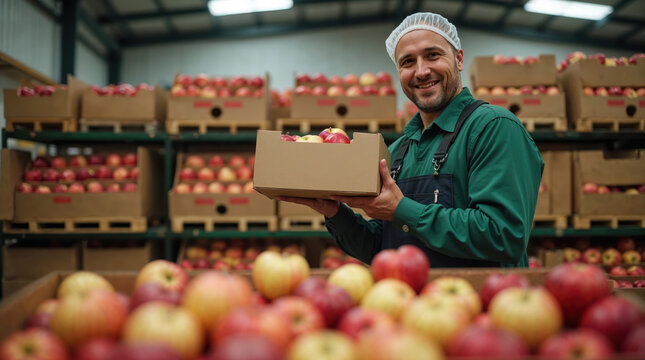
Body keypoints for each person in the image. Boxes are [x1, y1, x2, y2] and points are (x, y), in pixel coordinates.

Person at [277, 12, 544, 268]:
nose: (421, 71)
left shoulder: (493, 127)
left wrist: (402, 210)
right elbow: (381, 246)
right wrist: (335, 212)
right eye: (407, 62)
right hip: (408, 308)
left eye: (432, 55)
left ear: (459, 59)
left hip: (479, 307)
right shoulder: (398, 151)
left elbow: (503, 235)